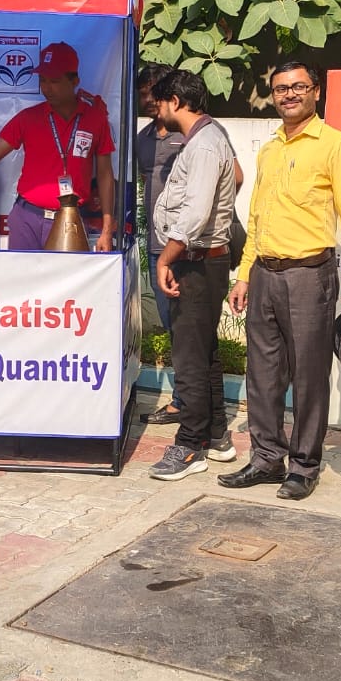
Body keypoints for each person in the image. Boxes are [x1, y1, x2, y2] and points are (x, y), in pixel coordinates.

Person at [221, 59, 341, 501]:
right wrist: (244, 275)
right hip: (265, 275)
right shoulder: (270, 150)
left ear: (315, 92)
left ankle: (304, 466)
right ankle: (266, 458)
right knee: (263, 374)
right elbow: (256, 217)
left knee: (309, 376)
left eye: (298, 87)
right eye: (281, 89)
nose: (289, 95)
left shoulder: (335, 146)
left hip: (310, 275)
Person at [0, 41, 116, 252]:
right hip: (27, 219)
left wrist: (107, 230)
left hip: (70, 220)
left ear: (74, 81)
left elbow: (105, 174)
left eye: (54, 81)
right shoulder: (28, 118)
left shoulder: (95, 119)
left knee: (66, 275)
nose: (46, 88)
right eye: (42, 80)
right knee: (21, 275)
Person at [146, 68, 240, 480]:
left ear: (176, 102)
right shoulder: (206, 139)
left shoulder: (203, 144)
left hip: (197, 261)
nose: (157, 111)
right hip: (203, 259)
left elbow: (196, 213)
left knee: (188, 357)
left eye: (160, 103)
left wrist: (165, 259)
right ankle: (216, 436)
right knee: (203, 352)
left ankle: (189, 445)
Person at [135, 63, 187, 423]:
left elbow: (231, 178)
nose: (148, 99)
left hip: (187, 248)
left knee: (188, 327)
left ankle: (192, 403)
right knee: (172, 326)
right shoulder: (143, 138)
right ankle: (186, 399)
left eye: (154, 91)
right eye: (143, 94)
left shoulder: (192, 134)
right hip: (157, 248)